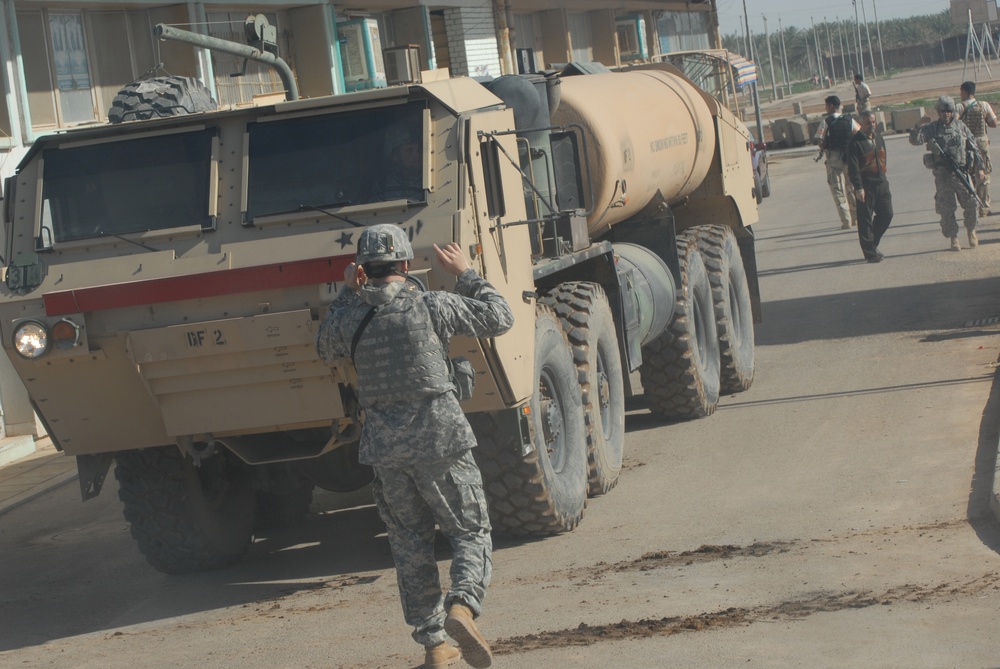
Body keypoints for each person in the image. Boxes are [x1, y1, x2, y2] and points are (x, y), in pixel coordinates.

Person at [316, 224, 514, 669]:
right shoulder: (433, 304)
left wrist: (349, 292)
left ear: (363, 269)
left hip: (386, 452)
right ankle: (462, 606)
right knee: (469, 531)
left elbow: (324, 346)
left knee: (409, 545)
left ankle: (435, 645)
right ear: (406, 265)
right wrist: (467, 273)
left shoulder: (350, 316)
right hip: (441, 439)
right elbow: (500, 316)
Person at [909, 95, 986, 251]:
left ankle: (971, 231)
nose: (946, 114)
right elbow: (915, 140)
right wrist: (918, 125)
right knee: (946, 208)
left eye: (949, 111)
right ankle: (954, 238)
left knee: (971, 202)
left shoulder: (961, 127)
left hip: (961, 173)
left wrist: (980, 168)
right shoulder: (932, 128)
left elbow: (973, 147)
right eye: (943, 111)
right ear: (938, 111)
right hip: (943, 175)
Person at [846, 110, 893, 263]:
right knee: (865, 219)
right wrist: (858, 188)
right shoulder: (855, 142)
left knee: (887, 214)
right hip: (866, 186)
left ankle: (872, 244)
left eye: (873, 122)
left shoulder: (879, 138)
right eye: (868, 123)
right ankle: (870, 253)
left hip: (881, 183)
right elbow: (853, 168)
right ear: (861, 124)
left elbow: (883, 158)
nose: (871, 125)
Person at [814, 95, 860, 229]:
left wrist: (825, 148)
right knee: (851, 187)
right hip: (849, 158)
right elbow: (858, 134)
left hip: (833, 158)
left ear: (832, 106)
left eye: (827, 105)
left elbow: (820, 141)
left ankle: (846, 221)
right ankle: (856, 218)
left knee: (838, 189)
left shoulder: (826, 122)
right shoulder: (849, 119)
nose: (825, 108)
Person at [956, 80, 997, 217]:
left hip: (967, 144)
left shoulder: (959, 107)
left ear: (965, 92)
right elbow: (993, 123)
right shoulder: (984, 105)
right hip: (982, 144)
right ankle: (984, 207)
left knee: (969, 174)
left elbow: (955, 125)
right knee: (984, 174)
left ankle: (973, 206)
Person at [370, 124, 425, 202]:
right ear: (395, 156)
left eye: (419, 150)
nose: (417, 155)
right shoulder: (382, 185)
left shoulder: (430, 181)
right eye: (409, 150)